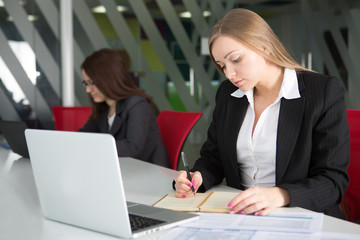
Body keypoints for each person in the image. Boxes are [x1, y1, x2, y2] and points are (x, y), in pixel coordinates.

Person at [173, 8, 350, 219]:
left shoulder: (322, 93)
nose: (229, 74)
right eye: (222, 66)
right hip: (241, 216)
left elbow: (333, 182)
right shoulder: (229, 94)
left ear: (265, 48)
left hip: (302, 216)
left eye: (236, 59)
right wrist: (197, 177)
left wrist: (279, 196)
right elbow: (214, 157)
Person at [78, 48, 170, 168]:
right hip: (123, 169)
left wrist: (92, 145)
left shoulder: (137, 104)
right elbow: (84, 135)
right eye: (86, 83)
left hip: (147, 172)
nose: (87, 90)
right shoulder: (104, 108)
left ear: (108, 80)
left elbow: (133, 147)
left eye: (91, 83)